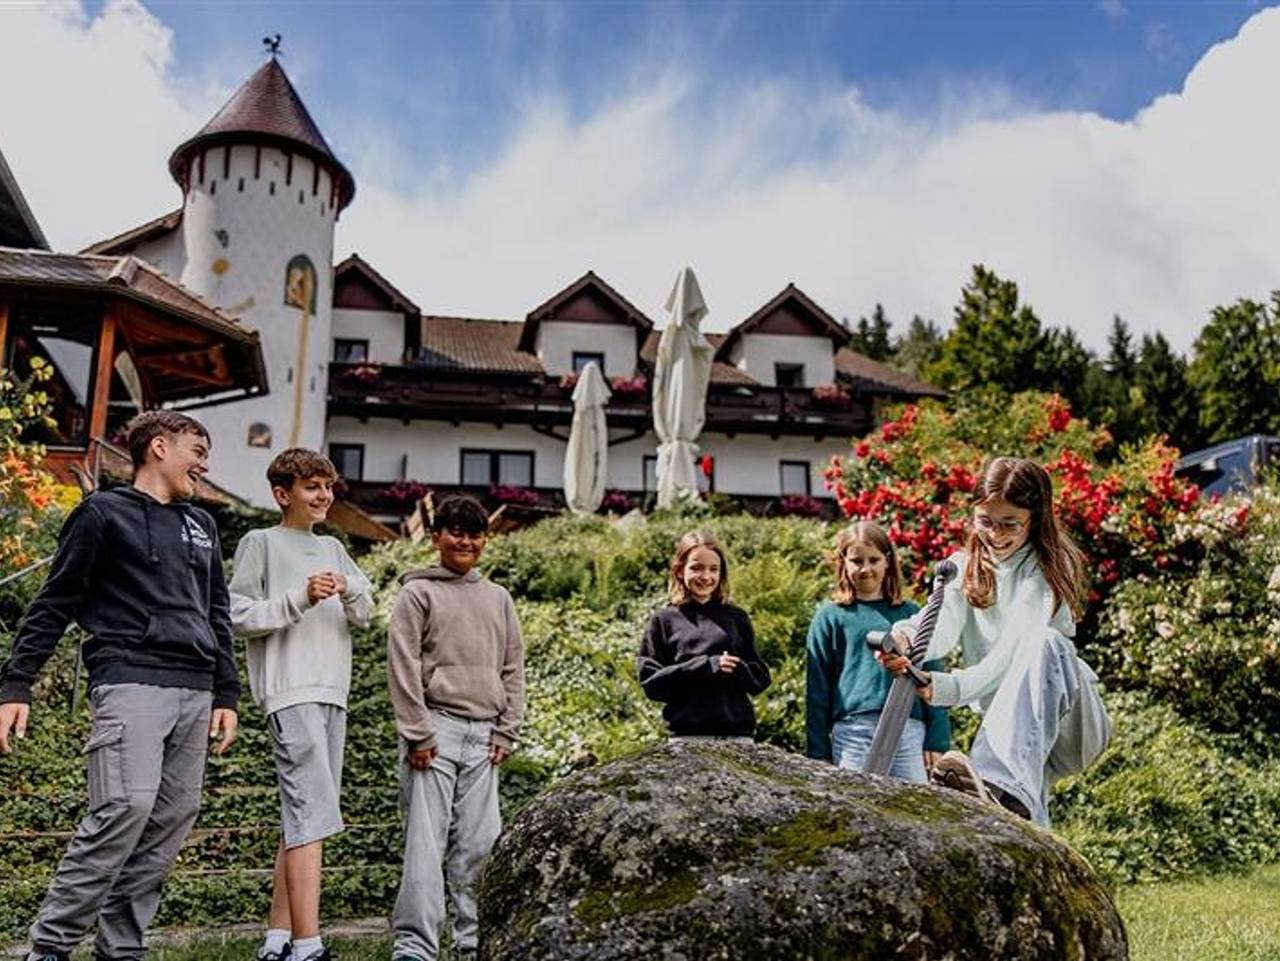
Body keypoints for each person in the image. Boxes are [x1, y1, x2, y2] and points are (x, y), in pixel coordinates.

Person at [0, 410, 239, 961]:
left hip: (196, 687)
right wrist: (17, 684)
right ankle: (52, 947)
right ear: (159, 446)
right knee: (123, 808)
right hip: (130, 678)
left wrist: (226, 694)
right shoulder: (101, 514)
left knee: (170, 821)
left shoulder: (201, 525)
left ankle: (121, 949)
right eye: (196, 450)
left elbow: (217, 612)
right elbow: (55, 601)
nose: (204, 463)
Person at [880, 456, 1111, 825]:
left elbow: (1013, 650)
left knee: (1043, 642)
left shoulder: (1047, 567)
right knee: (1026, 807)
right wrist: (906, 639)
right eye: (986, 521)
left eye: (1010, 524)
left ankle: (994, 784)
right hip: (1013, 732)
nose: (996, 534)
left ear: (1034, 521)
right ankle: (1016, 819)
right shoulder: (965, 565)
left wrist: (950, 687)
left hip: (1071, 719)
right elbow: (939, 621)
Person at [228, 449, 373, 961]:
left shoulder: (333, 548)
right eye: (312, 487)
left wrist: (348, 585)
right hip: (290, 692)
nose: (324, 496)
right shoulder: (259, 542)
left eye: (328, 487)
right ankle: (308, 947)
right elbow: (237, 615)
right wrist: (300, 599)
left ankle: (276, 940)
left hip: (334, 691)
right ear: (282, 494)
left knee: (302, 816)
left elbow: (366, 610)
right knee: (311, 814)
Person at [386, 494, 525, 961]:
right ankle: (416, 947)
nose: (466, 541)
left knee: (480, 846)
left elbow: (513, 667)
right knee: (424, 845)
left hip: (486, 736)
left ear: (486, 539)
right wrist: (418, 733)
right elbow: (402, 667)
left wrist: (508, 730)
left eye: (475, 533)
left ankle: (471, 943)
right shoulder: (416, 594)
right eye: (456, 532)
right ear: (436, 537)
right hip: (436, 733)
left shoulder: (498, 598)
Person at [805, 521, 950, 780]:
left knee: (915, 809)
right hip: (853, 732)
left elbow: (933, 675)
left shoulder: (912, 615)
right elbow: (817, 690)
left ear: (887, 561)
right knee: (855, 808)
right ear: (843, 563)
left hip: (908, 727)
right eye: (857, 560)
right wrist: (818, 752)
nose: (866, 568)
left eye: (874, 560)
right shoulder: (829, 618)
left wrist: (938, 739)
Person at [637, 530, 771, 739]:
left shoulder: (737, 618)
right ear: (680, 570)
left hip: (737, 737)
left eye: (713, 569)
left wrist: (736, 669)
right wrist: (706, 666)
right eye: (697, 568)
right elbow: (651, 683)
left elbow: (760, 679)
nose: (706, 577)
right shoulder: (663, 621)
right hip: (686, 737)